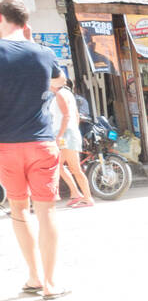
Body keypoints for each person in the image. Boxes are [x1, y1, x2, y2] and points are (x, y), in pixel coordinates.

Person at [0, 0, 69, 299]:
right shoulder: (44, 52)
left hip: (6, 147)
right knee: (47, 211)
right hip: (42, 144)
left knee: (18, 208)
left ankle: (33, 277)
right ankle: (52, 284)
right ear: (26, 24)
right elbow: (61, 80)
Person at [53, 78, 93, 208]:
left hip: (65, 134)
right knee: (58, 166)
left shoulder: (61, 94)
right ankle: (76, 193)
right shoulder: (67, 93)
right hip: (68, 133)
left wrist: (60, 136)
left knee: (74, 168)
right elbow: (75, 115)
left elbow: (67, 116)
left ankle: (87, 198)